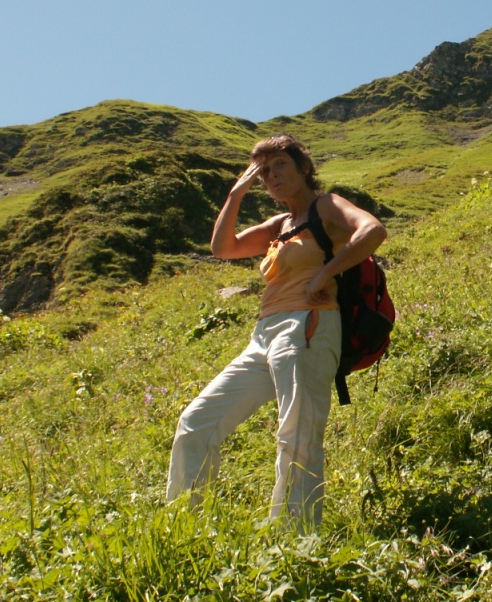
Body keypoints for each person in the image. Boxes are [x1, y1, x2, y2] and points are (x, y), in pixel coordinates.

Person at [166, 133, 387, 530]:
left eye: (280, 164)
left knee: (297, 434)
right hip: (264, 335)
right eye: (264, 171)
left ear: (303, 167)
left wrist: (325, 273)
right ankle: (185, 528)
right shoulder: (279, 224)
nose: (271, 175)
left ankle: (296, 541)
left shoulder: (326, 205)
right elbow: (223, 248)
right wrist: (236, 193)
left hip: (309, 326)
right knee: (196, 422)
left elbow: (372, 231)